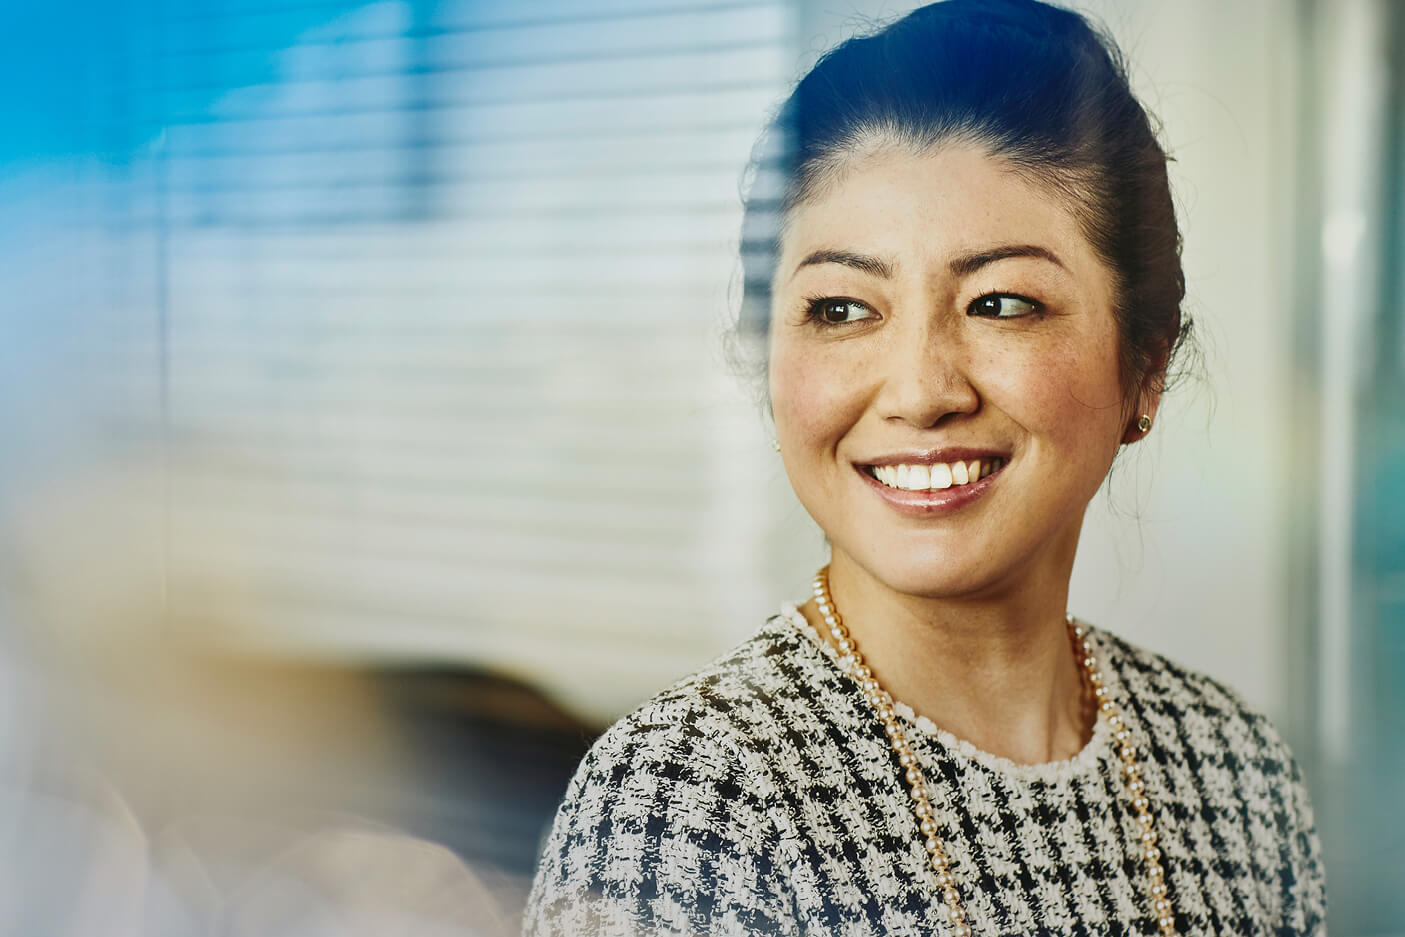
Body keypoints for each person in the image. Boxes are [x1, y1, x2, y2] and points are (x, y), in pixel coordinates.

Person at [522, 0, 1327, 934]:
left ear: (1142, 365)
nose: (918, 390)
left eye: (999, 301)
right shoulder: (692, 798)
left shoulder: (1232, 766)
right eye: (840, 309)